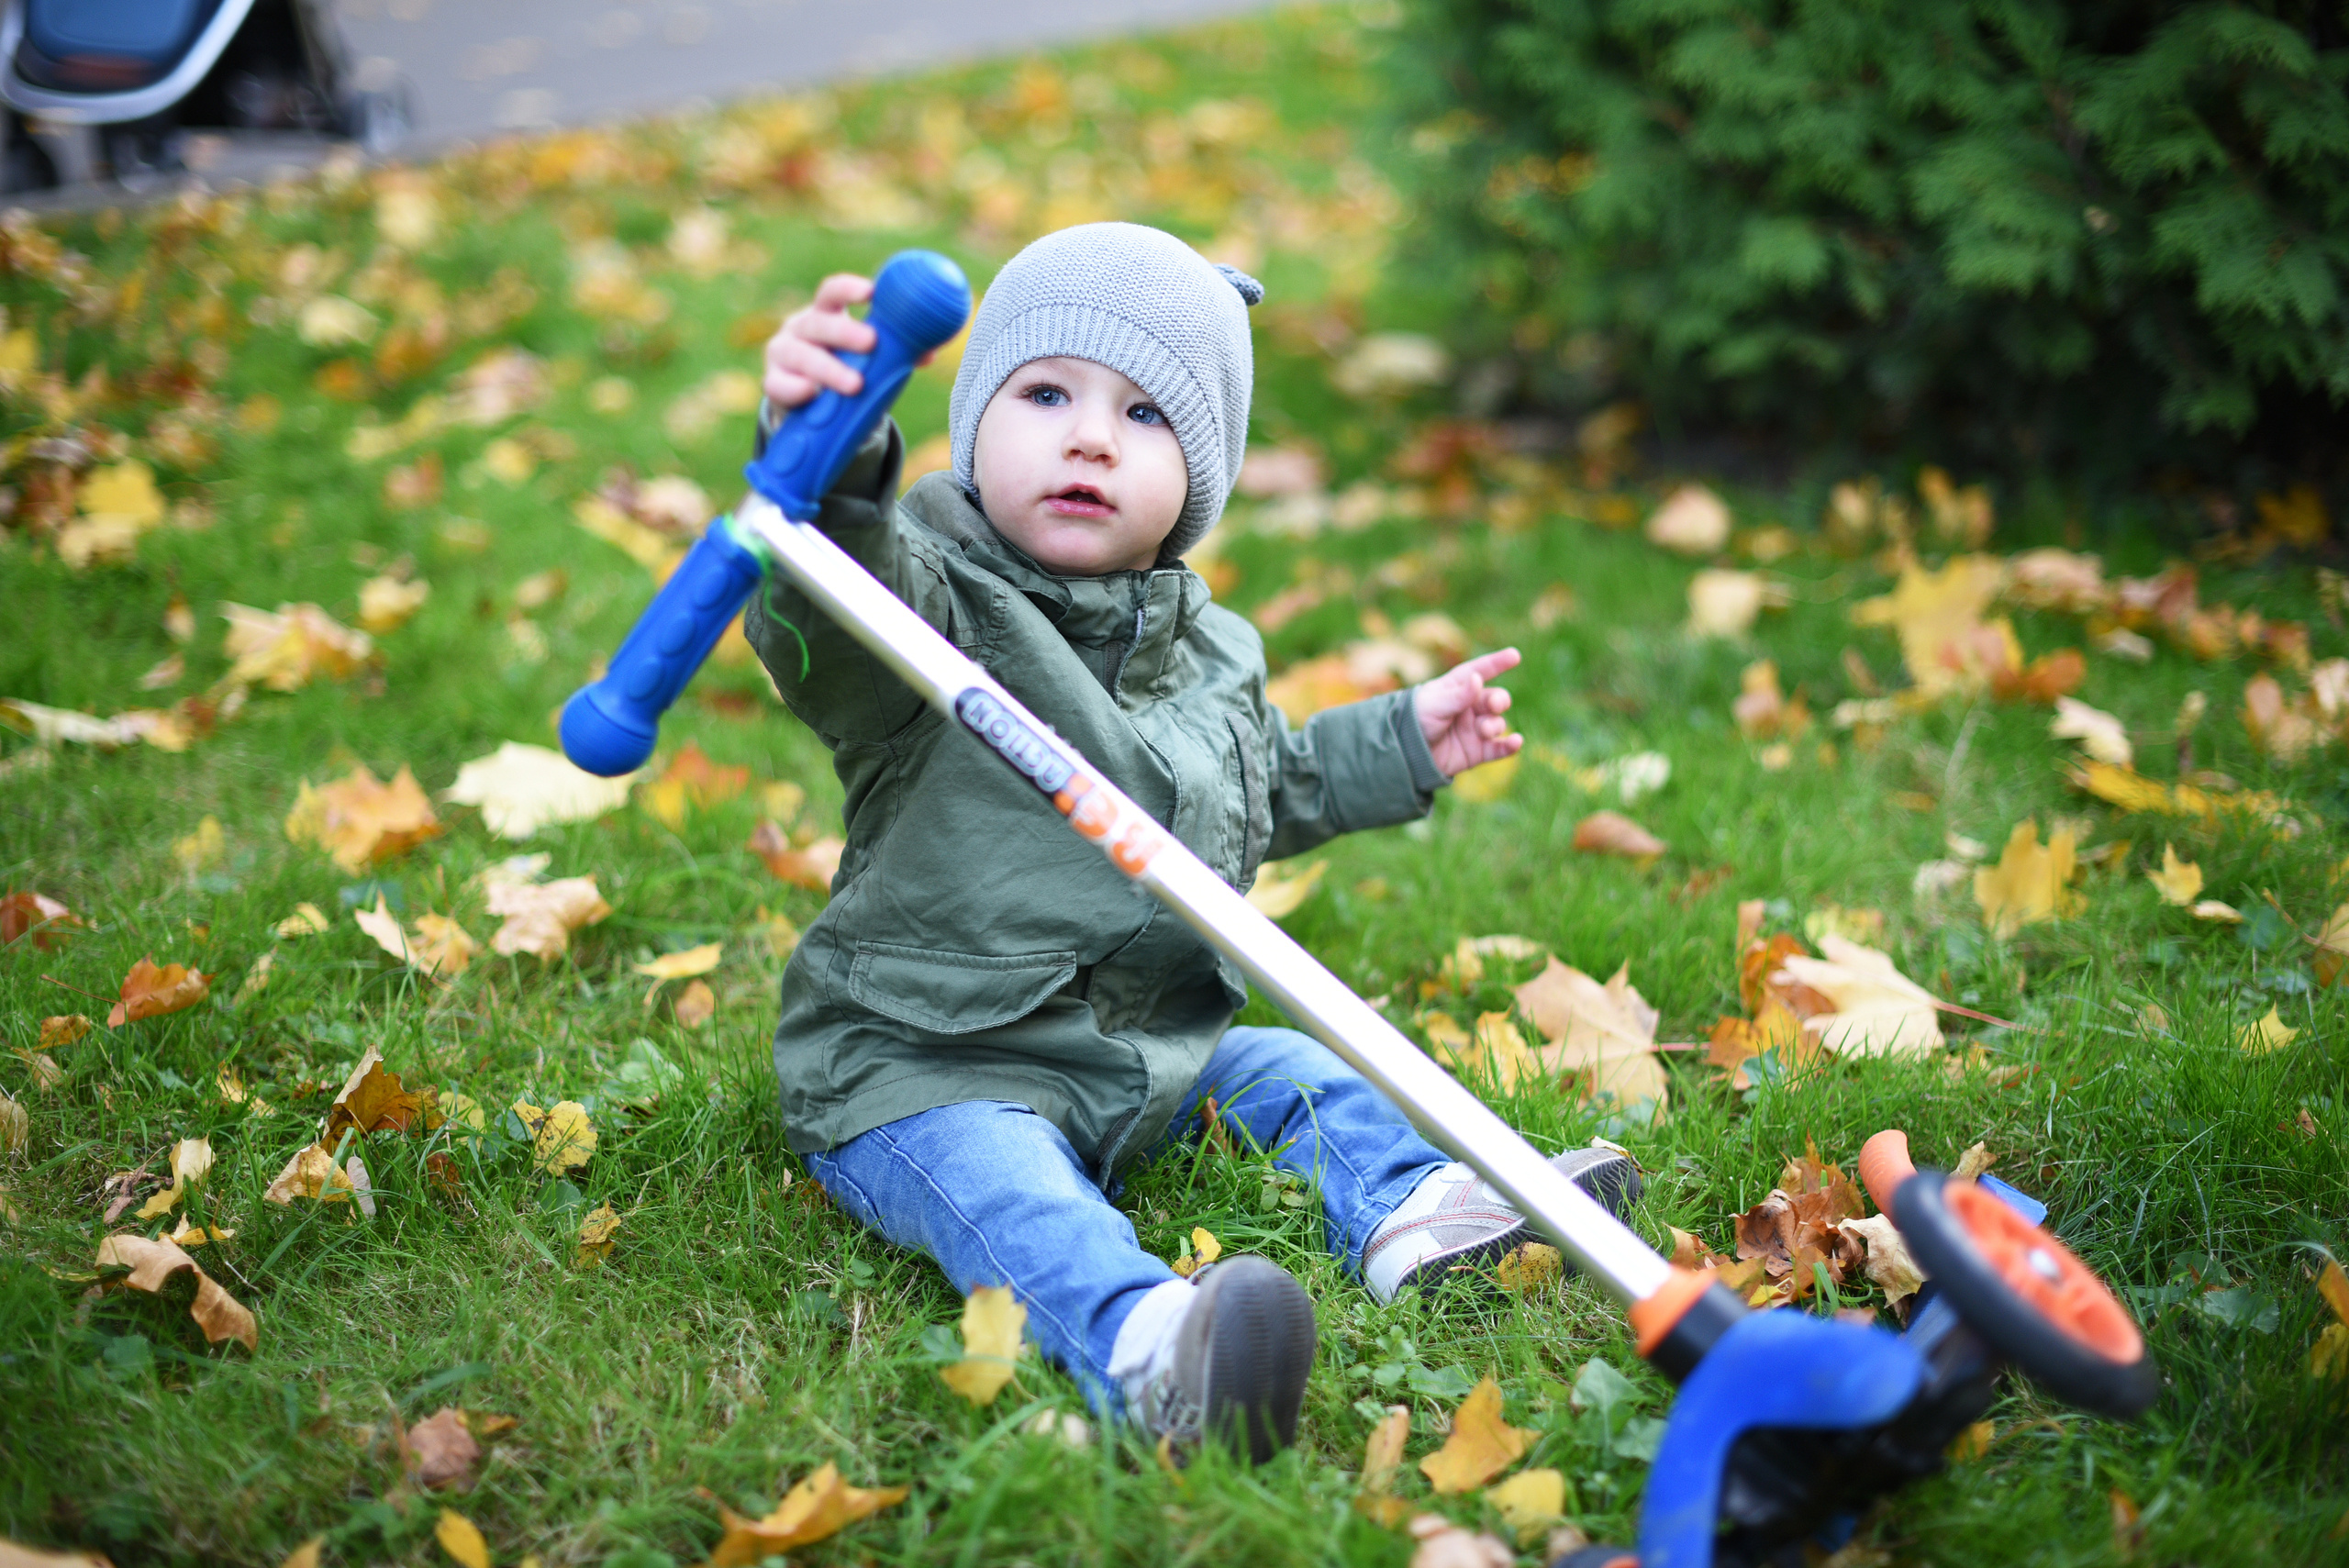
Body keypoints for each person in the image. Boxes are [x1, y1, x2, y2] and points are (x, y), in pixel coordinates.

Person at [746, 222, 1641, 1461]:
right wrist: (833, 464)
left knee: (1295, 1073)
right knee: (1014, 1191)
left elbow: (1263, 784)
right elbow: (824, 605)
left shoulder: (1207, 653)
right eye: (1046, 392)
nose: (1091, 436)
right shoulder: (925, 612)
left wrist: (1403, 742)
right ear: (975, 420)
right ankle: (1151, 1344)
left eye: (1147, 415)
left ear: (1199, 477)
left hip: (1138, 1053)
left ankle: (1423, 1210)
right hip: (926, 1063)